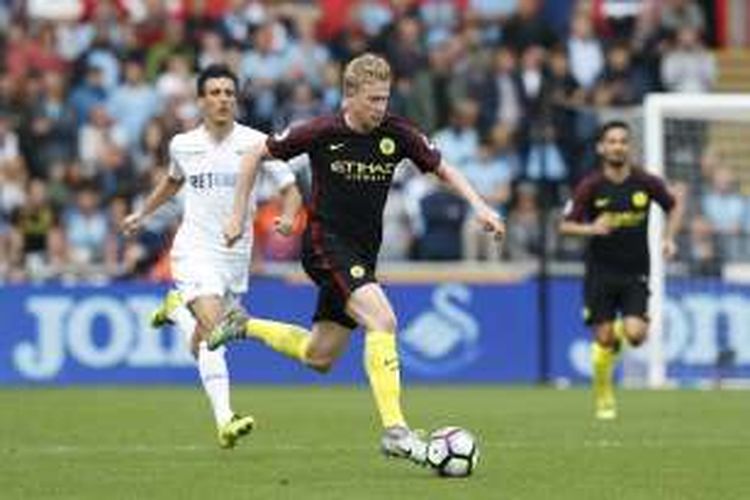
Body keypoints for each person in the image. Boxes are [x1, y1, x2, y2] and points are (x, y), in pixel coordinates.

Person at [210, 53, 505, 462]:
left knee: (320, 356)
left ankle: (243, 325)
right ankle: (395, 430)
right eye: (373, 100)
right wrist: (236, 215)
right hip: (323, 244)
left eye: (384, 99)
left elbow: (443, 169)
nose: (380, 108)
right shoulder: (320, 130)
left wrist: (480, 206)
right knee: (383, 320)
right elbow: (251, 156)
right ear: (349, 96)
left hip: (362, 254)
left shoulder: (397, 133)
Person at [121, 64, 302, 448]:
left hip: (235, 258)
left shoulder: (256, 142)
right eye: (215, 92)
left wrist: (287, 216)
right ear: (201, 100)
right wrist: (143, 213)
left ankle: (174, 311)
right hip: (194, 250)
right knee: (217, 327)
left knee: (203, 339)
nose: (223, 99)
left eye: (229, 93)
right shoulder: (182, 144)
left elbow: (291, 187)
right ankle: (226, 419)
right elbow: (173, 182)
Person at [559, 120, 683, 420]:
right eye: (612, 141)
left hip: (635, 272)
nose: (618, 146)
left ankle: (618, 332)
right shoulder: (590, 186)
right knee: (604, 340)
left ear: (630, 146)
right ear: (602, 148)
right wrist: (591, 228)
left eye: (623, 141)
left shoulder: (645, 182)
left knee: (637, 335)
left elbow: (674, 205)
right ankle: (604, 394)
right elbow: (564, 226)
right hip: (600, 274)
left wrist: (669, 238)